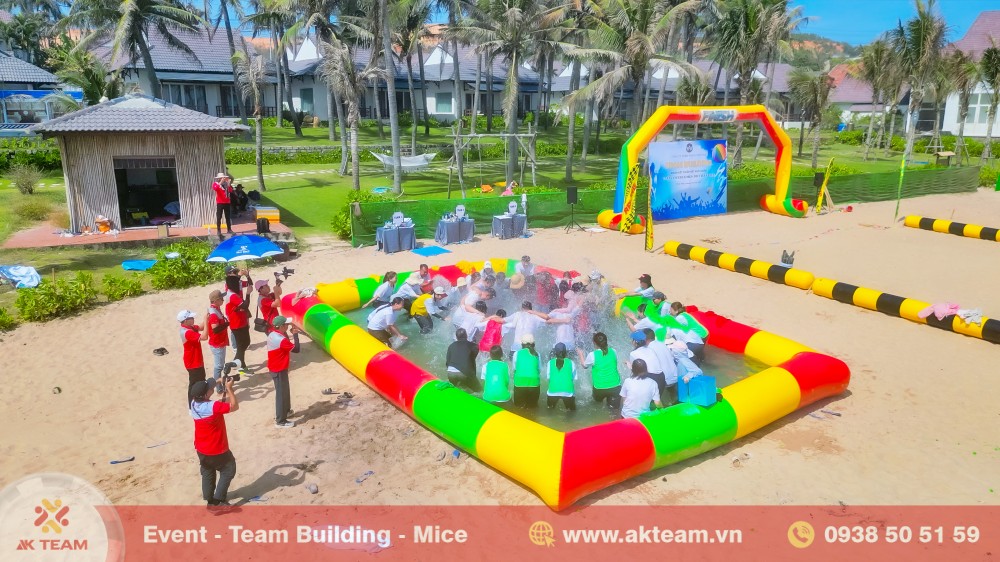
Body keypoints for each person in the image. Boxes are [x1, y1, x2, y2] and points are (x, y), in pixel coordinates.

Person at [189, 378, 238, 507]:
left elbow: (209, 396)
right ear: (206, 395)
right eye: (210, 388)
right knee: (228, 469)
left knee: (207, 470)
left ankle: (209, 500)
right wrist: (229, 389)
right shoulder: (213, 406)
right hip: (216, 448)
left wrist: (218, 381)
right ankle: (217, 502)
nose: (212, 388)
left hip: (201, 448)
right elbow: (234, 406)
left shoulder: (193, 402)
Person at [267, 316, 301, 428]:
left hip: (278, 367)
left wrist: (289, 330)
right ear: (281, 326)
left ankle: (286, 411)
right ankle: (280, 421)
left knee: (285, 391)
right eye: (286, 324)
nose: (288, 325)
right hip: (278, 369)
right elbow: (296, 349)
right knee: (281, 394)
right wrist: (295, 334)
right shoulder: (280, 339)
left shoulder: (273, 334)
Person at [579, 332, 622, 414]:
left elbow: (584, 366)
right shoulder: (613, 351)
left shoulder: (592, 355)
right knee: (614, 412)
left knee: (597, 406)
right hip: (615, 387)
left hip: (599, 388)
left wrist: (580, 354)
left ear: (594, 343)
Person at [224, 267, 253, 373]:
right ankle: (239, 366)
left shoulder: (234, 288)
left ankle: (238, 364)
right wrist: (248, 294)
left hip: (241, 319)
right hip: (236, 323)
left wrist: (247, 275)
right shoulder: (231, 294)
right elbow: (245, 305)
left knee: (245, 343)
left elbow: (249, 284)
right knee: (241, 345)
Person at [179, 310, 209, 401]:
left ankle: (198, 401)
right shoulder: (187, 332)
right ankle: (192, 404)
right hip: (193, 362)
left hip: (196, 360)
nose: (193, 318)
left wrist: (207, 318)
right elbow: (205, 337)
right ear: (185, 321)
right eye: (191, 318)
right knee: (194, 384)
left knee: (200, 381)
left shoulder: (189, 327)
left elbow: (201, 327)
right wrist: (206, 321)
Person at [628, 330, 665, 404]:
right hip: (661, 378)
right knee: (655, 401)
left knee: (646, 403)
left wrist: (628, 365)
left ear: (635, 342)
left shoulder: (633, 353)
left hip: (651, 379)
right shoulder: (650, 350)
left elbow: (634, 370)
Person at [644, 328, 678, 405]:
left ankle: (660, 404)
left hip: (665, 381)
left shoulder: (649, 349)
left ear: (645, 339)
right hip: (675, 376)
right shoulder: (661, 343)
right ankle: (673, 400)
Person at [206, 291, 230, 391]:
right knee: (219, 367)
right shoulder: (214, 313)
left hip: (219, 342)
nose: (223, 300)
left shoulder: (216, 309)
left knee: (220, 365)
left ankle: (219, 385)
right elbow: (215, 329)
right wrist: (227, 324)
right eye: (221, 299)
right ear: (216, 301)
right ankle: (219, 388)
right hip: (217, 343)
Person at [511, 334, 541, 409]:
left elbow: (514, 369)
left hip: (519, 383)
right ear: (533, 344)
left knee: (518, 408)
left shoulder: (516, 353)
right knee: (532, 408)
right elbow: (539, 370)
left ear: (522, 344)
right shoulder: (537, 354)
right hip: (534, 383)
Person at [546, 342, 577, 411]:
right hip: (568, 392)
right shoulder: (571, 362)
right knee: (571, 412)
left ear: (555, 352)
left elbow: (548, 378)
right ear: (566, 352)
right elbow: (574, 378)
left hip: (552, 391)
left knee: (549, 410)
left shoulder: (550, 363)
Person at [212, 173, 234, 237]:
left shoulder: (226, 184)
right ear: (219, 178)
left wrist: (228, 184)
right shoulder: (216, 184)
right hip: (220, 202)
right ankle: (218, 230)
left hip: (227, 202)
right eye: (221, 178)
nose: (223, 179)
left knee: (228, 217)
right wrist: (221, 182)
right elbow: (215, 189)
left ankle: (229, 229)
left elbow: (230, 191)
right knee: (219, 217)